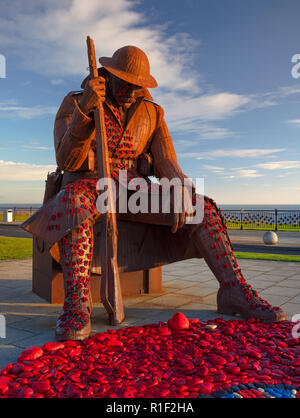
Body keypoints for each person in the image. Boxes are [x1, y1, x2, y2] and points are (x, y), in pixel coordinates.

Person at [22, 46, 286, 341]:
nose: (133, 92)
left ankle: (233, 290)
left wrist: (182, 188)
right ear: (108, 75)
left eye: (138, 86)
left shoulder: (153, 112)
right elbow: (66, 160)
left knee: (203, 208)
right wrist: (85, 110)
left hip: (133, 189)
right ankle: (77, 303)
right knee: (73, 202)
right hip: (90, 185)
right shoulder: (75, 102)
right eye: (126, 84)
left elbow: (166, 162)